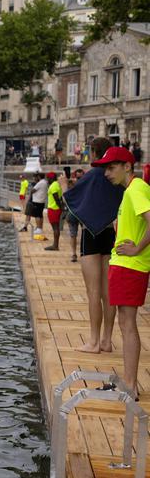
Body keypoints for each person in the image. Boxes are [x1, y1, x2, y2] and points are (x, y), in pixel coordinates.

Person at [103, 146, 148, 399]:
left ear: (127, 167)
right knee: (124, 322)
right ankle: (128, 382)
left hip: (131, 266)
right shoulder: (130, 191)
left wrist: (137, 248)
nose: (107, 173)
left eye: (111, 167)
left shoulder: (137, 189)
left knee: (128, 324)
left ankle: (130, 385)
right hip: (124, 265)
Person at [73, 137, 119, 354]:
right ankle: (107, 340)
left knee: (93, 291)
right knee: (108, 292)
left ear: (93, 152)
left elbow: (74, 202)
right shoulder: (114, 178)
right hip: (110, 233)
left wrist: (66, 185)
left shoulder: (91, 176)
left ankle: (93, 342)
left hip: (91, 234)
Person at [66, 169, 83, 262]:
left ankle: (82, 253)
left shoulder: (85, 186)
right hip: (73, 214)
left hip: (82, 214)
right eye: (77, 178)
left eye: (80, 178)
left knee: (84, 234)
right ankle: (73, 254)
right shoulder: (71, 186)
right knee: (73, 235)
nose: (79, 179)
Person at [45, 172, 64, 251]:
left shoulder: (53, 186)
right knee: (56, 228)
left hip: (54, 209)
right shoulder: (56, 184)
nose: (47, 180)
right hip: (55, 208)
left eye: (48, 178)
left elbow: (56, 199)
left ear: (51, 178)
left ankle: (55, 245)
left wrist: (61, 208)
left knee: (55, 228)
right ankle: (55, 245)